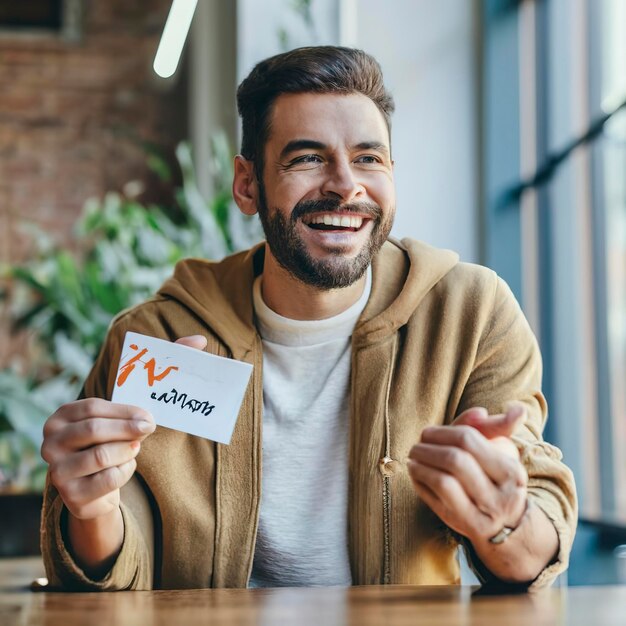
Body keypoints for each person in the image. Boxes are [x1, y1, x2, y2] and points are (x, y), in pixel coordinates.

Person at [40, 46, 577, 591]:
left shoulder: (470, 315)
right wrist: (92, 506)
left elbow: (537, 533)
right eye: (307, 158)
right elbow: (105, 567)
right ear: (248, 184)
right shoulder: (160, 337)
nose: (347, 185)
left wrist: (504, 520)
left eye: (369, 158)